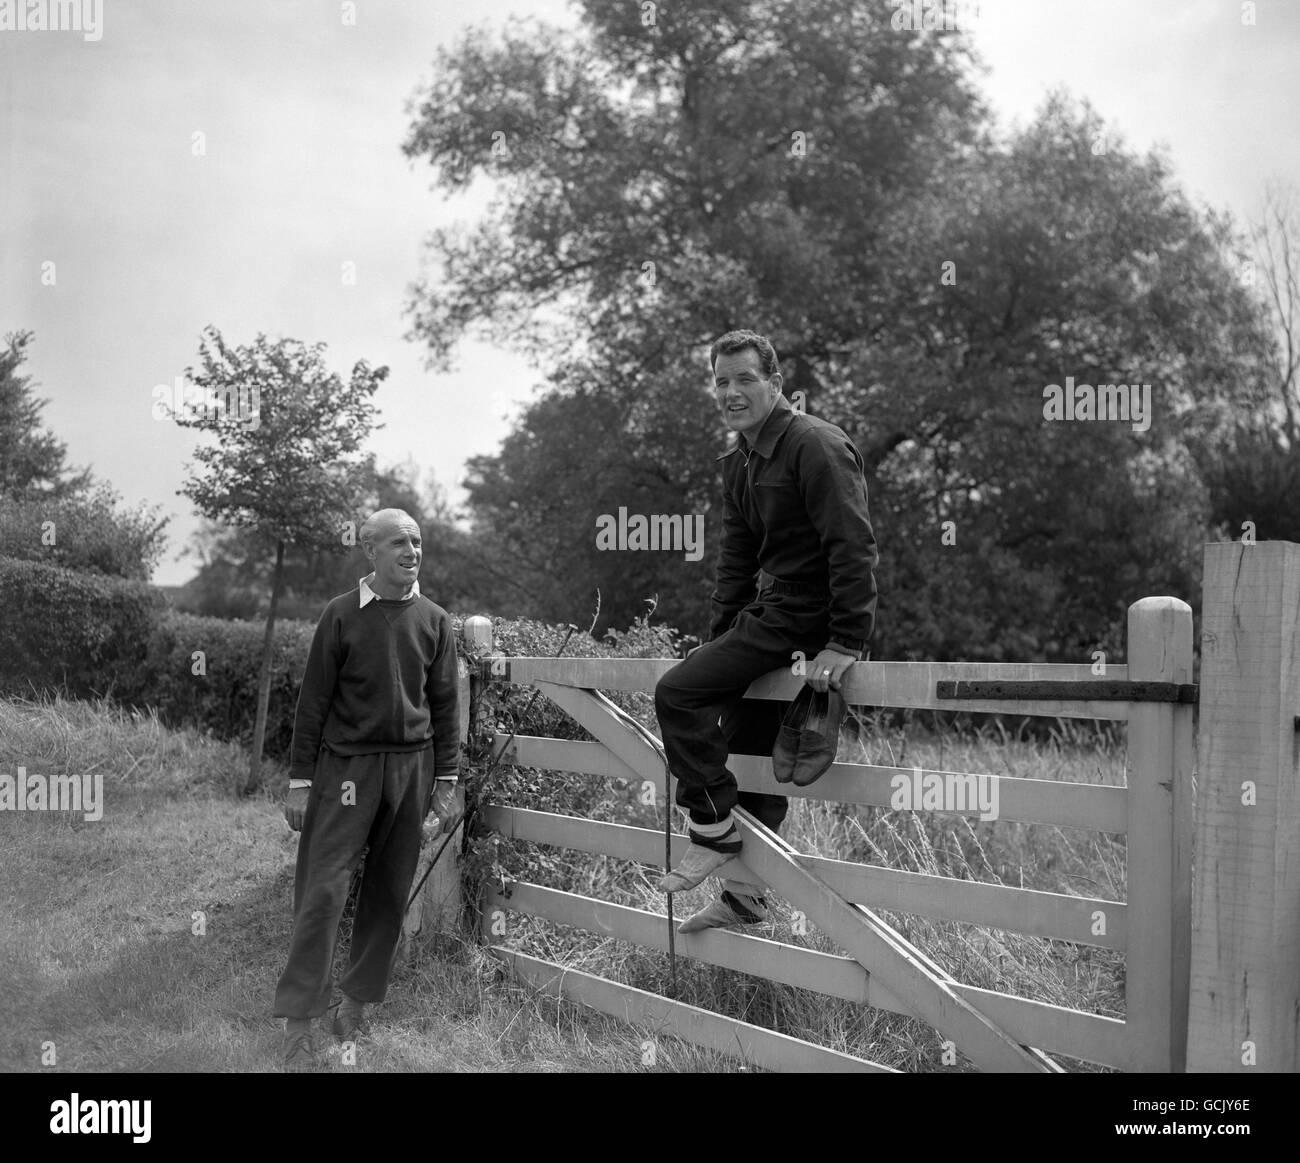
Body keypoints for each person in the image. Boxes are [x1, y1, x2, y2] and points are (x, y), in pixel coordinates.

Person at [654, 330, 878, 930]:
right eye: (721, 381)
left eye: (745, 379)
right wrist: (720, 638)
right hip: (766, 615)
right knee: (746, 745)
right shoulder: (739, 460)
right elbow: (737, 557)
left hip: (807, 618)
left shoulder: (816, 445)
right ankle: (745, 898)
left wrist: (847, 640)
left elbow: (851, 546)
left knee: (677, 693)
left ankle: (710, 830)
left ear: (777, 384)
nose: (731, 392)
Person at [273, 508, 463, 1070]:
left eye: (418, 542)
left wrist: (445, 787)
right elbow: (313, 704)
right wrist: (301, 783)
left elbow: (448, 709)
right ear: (369, 552)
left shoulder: (435, 620)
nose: (412, 551)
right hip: (345, 772)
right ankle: (299, 1020)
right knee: (324, 893)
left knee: (388, 892)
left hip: (412, 771)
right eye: (399, 542)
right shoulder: (339, 616)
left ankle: (355, 1004)